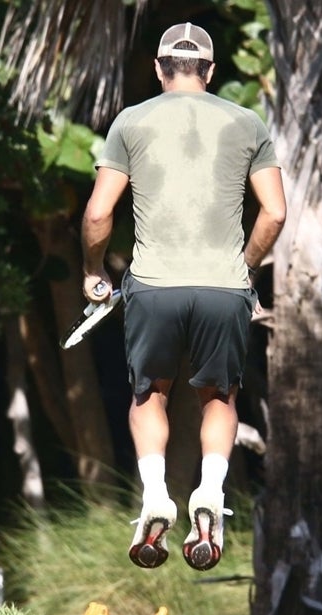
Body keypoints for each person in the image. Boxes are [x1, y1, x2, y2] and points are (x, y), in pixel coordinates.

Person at [81, 22, 286, 571]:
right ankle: (211, 494)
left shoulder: (131, 122)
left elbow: (99, 212)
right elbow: (275, 211)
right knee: (218, 398)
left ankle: (154, 495)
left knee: (150, 397)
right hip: (224, 287)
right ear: (211, 71)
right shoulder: (247, 122)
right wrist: (244, 268)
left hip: (153, 287)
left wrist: (92, 270)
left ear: (158, 67)